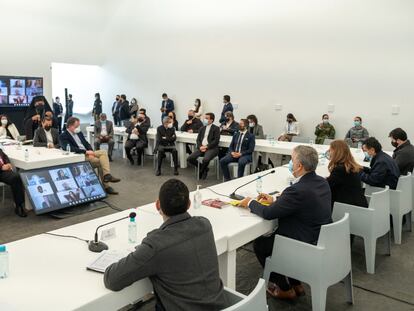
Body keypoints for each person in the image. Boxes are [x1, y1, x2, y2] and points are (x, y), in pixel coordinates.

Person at [104, 179, 228, 311]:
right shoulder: (204, 225)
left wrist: (143, 251)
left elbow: (112, 280)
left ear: (158, 205)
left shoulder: (155, 246)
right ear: (189, 204)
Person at [238, 145, 332, 300]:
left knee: (261, 245)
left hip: (299, 242)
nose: (289, 162)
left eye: (291, 159)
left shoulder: (297, 190)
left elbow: (269, 213)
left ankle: (284, 288)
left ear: (299, 165)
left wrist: (250, 203)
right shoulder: (321, 182)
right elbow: (301, 202)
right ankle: (297, 284)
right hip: (317, 238)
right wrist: (275, 199)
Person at [59, 117, 120, 195]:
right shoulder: (63, 136)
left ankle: (107, 175)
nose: (78, 128)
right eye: (76, 126)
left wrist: (90, 151)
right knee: (101, 162)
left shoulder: (79, 133)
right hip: (80, 155)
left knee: (103, 152)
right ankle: (107, 186)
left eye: (78, 126)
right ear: (70, 126)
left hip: (88, 153)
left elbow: (86, 143)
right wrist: (86, 152)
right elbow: (70, 148)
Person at [326, 140, 368, 209]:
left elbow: (327, 185)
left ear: (336, 152)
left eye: (330, 150)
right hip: (358, 204)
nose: (329, 153)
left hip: (348, 208)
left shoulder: (340, 169)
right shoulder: (350, 166)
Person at [187, 113, 220, 180]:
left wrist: (206, 147)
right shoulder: (202, 128)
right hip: (201, 147)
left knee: (206, 159)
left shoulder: (216, 128)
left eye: (207, 118)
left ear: (211, 120)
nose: (205, 120)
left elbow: (216, 141)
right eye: (205, 118)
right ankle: (204, 168)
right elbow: (198, 140)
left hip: (211, 148)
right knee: (190, 158)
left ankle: (201, 171)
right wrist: (200, 147)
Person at [0, 148, 26, 217]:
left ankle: (19, 205)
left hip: (3, 172)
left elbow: (4, 156)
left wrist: (8, 163)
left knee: (16, 177)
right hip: (1, 169)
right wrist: (1, 167)